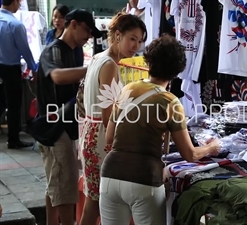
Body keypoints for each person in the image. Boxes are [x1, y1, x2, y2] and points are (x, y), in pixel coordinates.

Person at [99, 34, 221, 225]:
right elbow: (190, 154)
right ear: (178, 70)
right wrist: (211, 148)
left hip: (110, 175)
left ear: (148, 61)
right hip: (144, 178)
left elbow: (109, 138)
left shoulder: (127, 89)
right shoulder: (170, 101)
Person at [79, 12, 147, 225]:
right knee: (99, 202)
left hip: (91, 131)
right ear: (118, 36)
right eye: (132, 39)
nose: (135, 46)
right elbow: (108, 116)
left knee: (95, 200)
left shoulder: (99, 58)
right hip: (101, 137)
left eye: (139, 41)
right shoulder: (109, 65)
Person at [36, 9, 101, 225]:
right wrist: (92, 69)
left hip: (68, 125)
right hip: (54, 127)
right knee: (64, 186)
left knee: (56, 183)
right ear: (73, 24)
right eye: (87, 30)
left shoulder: (76, 51)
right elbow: (57, 76)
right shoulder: (52, 50)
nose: (89, 36)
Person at [0, 0, 37, 149]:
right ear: (14, 2)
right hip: (10, 68)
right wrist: (34, 67)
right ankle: (13, 139)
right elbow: (25, 50)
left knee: (1, 102)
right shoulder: (15, 25)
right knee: (14, 105)